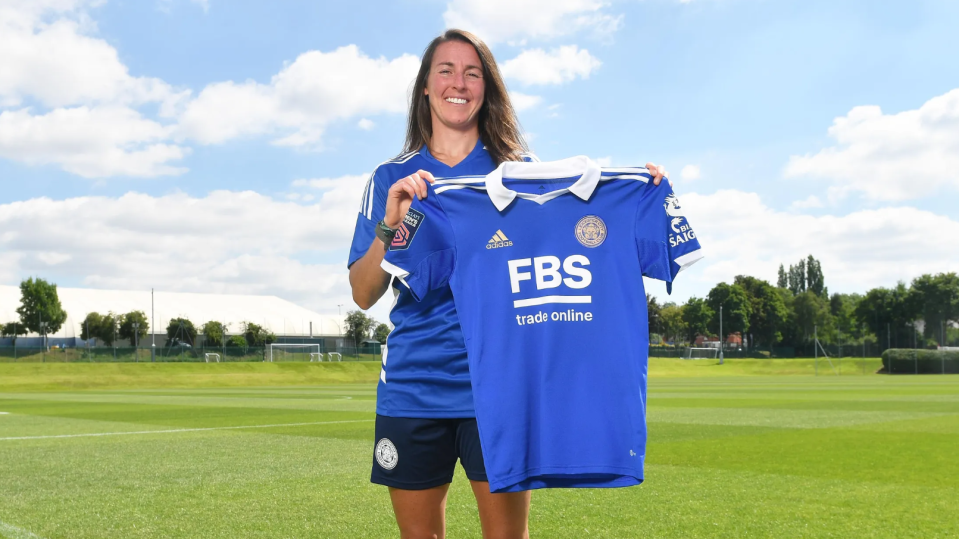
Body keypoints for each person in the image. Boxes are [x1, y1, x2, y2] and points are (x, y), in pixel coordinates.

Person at [348, 29, 669, 539]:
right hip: (414, 387)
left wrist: (637, 191)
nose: (459, 82)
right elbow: (363, 294)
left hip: (500, 389)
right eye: (446, 71)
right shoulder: (393, 177)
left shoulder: (522, 175)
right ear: (425, 88)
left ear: (487, 88)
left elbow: (571, 248)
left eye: (473, 72)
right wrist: (392, 225)